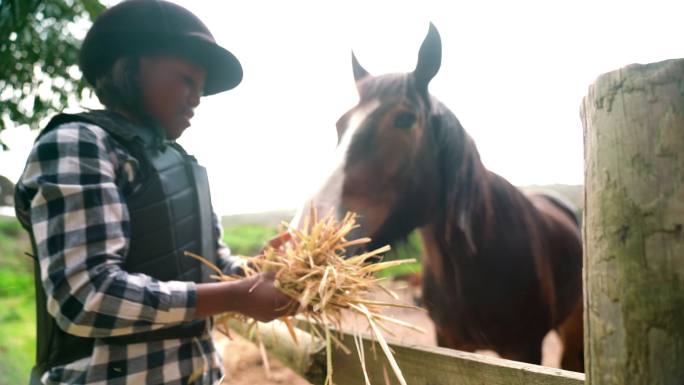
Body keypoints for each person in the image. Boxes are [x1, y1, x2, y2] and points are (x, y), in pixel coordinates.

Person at [14, 1, 297, 384]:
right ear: (130, 69)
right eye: (186, 80)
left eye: (200, 88)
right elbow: (87, 296)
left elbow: (210, 267)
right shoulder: (78, 144)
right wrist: (238, 295)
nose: (197, 97)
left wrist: (261, 272)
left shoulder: (184, 165)